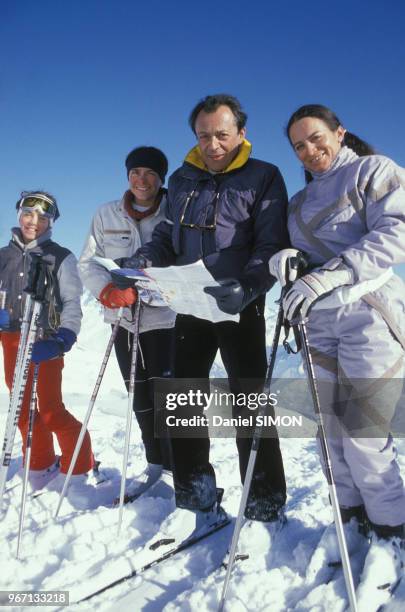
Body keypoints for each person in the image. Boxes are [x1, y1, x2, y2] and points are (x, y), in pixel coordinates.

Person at [119, 94, 290, 546]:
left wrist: (251, 286)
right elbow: (164, 236)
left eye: (221, 134)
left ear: (241, 133)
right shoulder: (182, 178)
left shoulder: (264, 176)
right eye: (203, 135)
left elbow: (271, 244)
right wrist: (144, 259)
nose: (213, 144)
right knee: (181, 404)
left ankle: (264, 508)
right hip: (189, 302)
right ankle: (196, 500)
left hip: (239, 305)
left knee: (250, 405)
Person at [269, 104, 405, 606]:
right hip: (318, 324)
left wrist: (333, 272)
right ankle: (350, 522)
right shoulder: (299, 201)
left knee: (365, 433)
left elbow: (396, 232)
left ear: (339, 132)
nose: (310, 150)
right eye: (299, 146)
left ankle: (391, 535)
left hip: (368, 313)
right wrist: (284, 259)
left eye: (316, 138)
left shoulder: (375, 171)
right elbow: (295, 255)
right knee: (331, 433)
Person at [78, 146, 175, 499]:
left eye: (150, 173)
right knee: (141, 396)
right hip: (122, 320)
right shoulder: (106, 214)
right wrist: (106, 291)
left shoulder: (174, 211)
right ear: (127, 176)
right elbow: (88, 262)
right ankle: (154, 464)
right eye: (135, 173)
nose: (142, 180)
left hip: (166, 320)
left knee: (170, 396)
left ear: (162, 179)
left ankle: (175, 467)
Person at [0, 190, 94, 497]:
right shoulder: (3, 256)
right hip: (12, 339)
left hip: (46, 341)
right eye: (28, 214)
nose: (34, 222)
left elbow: (71, 302)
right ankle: (40, 463)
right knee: (21, 408)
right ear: (19, 216)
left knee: (51, 410)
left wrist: (63, 338)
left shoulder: (60, 257)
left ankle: (79, 466)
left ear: (50, 222)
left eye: (42, 217)